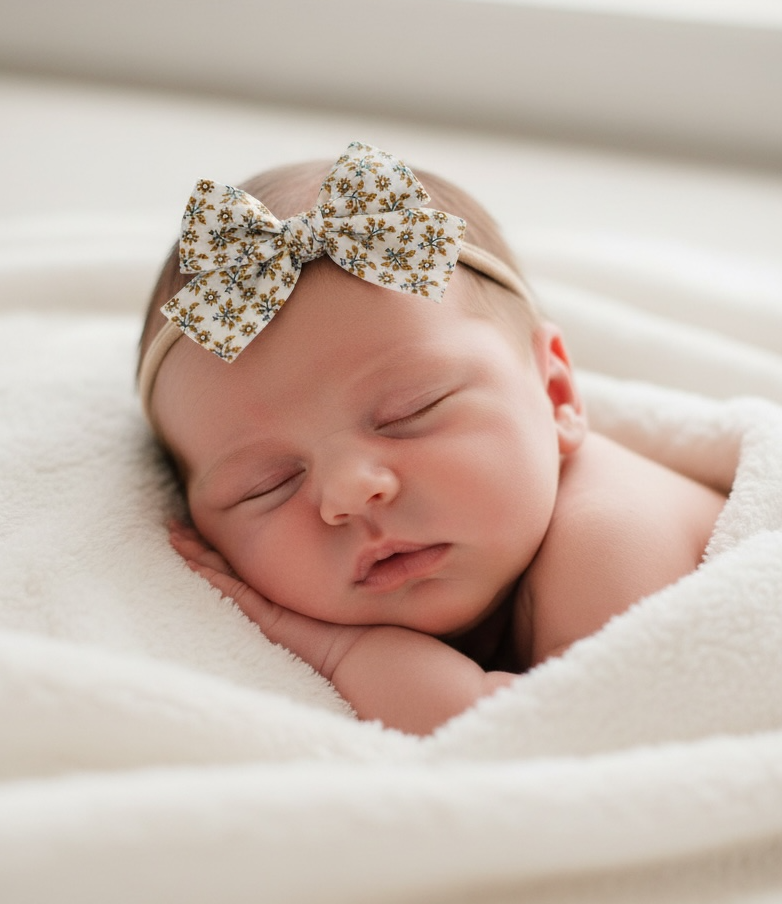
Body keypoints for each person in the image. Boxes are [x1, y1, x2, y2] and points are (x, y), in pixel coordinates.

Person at [138, 142, 725, 735]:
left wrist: (335, 652)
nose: (349, 491)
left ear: (556, 394)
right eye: (267, 485)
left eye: (410, 412)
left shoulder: (610, 538)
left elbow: (559, 742)